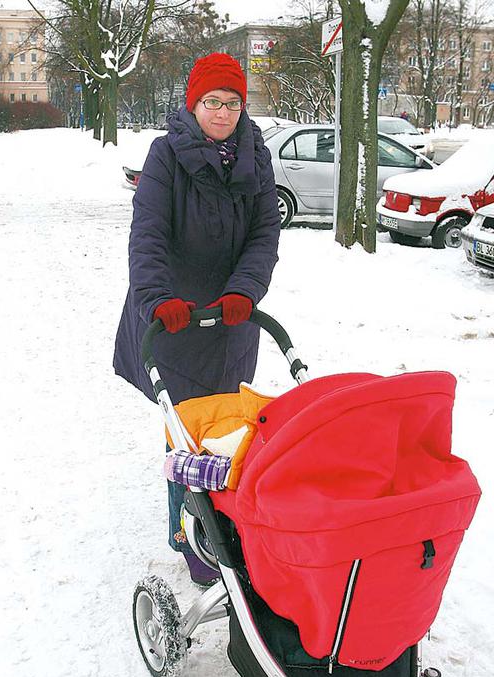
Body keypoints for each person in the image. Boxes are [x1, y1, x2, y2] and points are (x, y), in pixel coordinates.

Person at [113, 52, 281, 586]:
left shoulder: (256, 156)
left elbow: (263, 236)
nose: (223, 112)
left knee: (231, 429)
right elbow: (149, 236)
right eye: (212, 102)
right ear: (194, 103)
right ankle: (188, 537)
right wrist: (159, 298)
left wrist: (245, 290)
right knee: (186, 434)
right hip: (176, 318)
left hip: (232, 317)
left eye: (233, 102)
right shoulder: (166, 156)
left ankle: (228, 528)